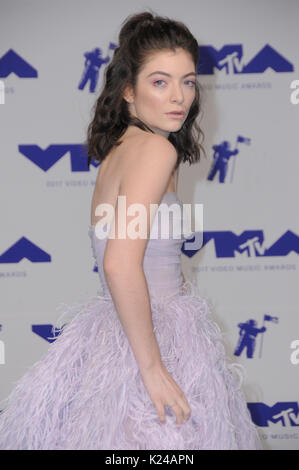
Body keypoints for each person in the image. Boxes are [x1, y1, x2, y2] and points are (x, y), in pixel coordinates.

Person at [0, 11, 262, 450]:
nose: (179, 96)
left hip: (114, 334)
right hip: (149, 340)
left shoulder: (120, 152)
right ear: (128, 90)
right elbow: (120, 263)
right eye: (160, 82)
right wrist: (153, 368)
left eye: (188, 81)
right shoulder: (155, 152)